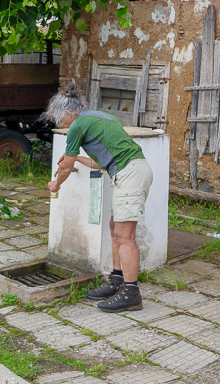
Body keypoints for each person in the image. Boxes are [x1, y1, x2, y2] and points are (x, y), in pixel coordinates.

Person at [42, 82, 153, 312]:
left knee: (125, 235)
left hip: (128, 173)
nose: (61, 124)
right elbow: (101, 162)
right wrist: (77, 160)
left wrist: (56, 184)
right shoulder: (99, 117)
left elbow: (64, 169)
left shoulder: (77, 126)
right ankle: (117, 280)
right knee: (116, 229)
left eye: (60, 119)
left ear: (68, 113)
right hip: (133, 169)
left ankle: (131, 293)